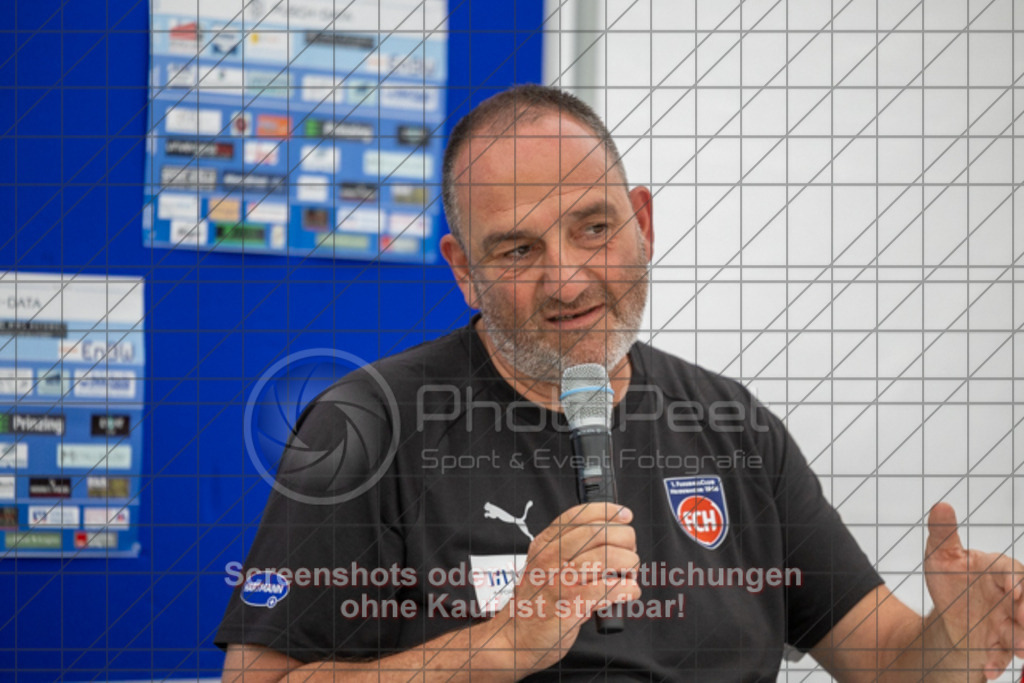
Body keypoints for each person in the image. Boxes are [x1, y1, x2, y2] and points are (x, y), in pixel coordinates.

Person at [217, 84, 1023, 681]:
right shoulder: (363, 425)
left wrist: (951, 638)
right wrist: (495, 643)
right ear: (465, 273)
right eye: (518, 250)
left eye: (594, 228)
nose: (568, 280)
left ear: (643, 219)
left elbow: (887, 660)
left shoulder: (735, 424)